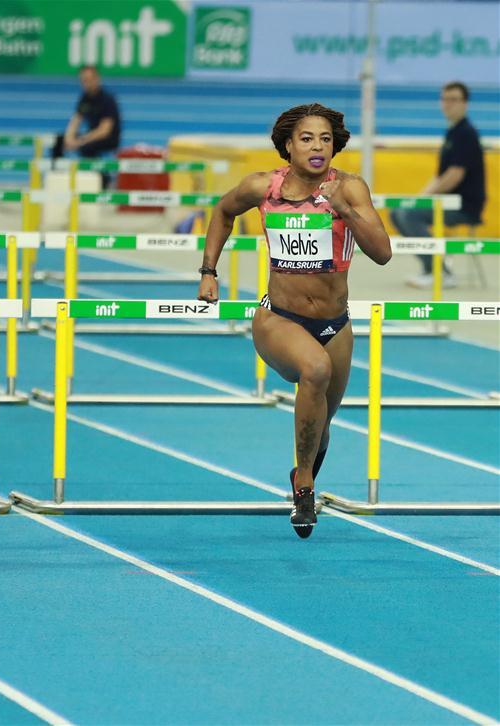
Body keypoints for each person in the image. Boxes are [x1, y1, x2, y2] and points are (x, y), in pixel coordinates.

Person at [197, 104, 392, 538]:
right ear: (288, 145)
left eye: (324, 139)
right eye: (306, 138)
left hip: (335, 324)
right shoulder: (264, 187)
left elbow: (383, 254)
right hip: (278, 319)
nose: (317, 146)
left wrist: (347, 210)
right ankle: (304, 487)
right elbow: (223, 212)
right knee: (314, 369)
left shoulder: (351, 189)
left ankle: (304, 469)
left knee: (322, 429)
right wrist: (209, 271)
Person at [390, 81, 486, 289]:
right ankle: (430, 267)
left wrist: (421, 201)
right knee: (398, 211)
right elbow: (440, 176)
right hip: (446, 202)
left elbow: (454, 175)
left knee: (409, 214)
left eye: (454, 99)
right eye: (445, 99)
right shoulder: (452, 133)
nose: (448, 104)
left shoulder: (466, 134)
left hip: (463, 207)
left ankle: (441, 272)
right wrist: (416, 199)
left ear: (465, 103)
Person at [52, 65, 121, 187]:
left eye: (89, 80)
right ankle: (57, 177)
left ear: (97, 79)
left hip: (109, 138)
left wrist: (81, 141)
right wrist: (69, 138)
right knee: (58, 140)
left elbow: (104, 130)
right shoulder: (85, 98)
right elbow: (76, 120)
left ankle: (103, 180)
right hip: (91, 135)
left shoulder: (107, 100)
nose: (87, 83)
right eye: (84, 81)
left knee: (87, 147)